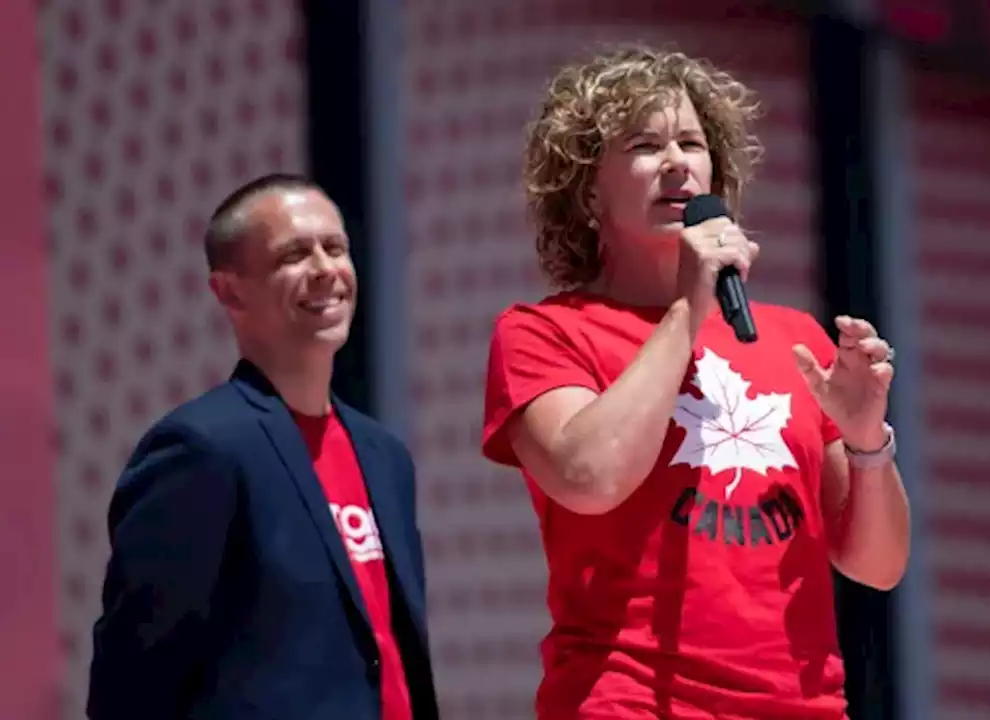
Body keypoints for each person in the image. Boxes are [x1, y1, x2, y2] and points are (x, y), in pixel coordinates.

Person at [481, 46, 912, 719]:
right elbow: (588, 478)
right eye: (645, 144)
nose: (678, 162)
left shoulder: (793, 338)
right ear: (587, 191)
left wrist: (867, 443)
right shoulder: (545, 333)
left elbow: (879, 564)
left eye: (691, 143)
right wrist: (687, 310)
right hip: (630, 702)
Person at [87, 174, 439, 720]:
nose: (325, 269)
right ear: (230, 290)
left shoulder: (385, 458)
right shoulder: (202, 450)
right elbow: (133, 680)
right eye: (294, 254)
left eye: (336, 247)